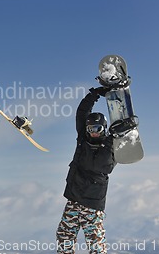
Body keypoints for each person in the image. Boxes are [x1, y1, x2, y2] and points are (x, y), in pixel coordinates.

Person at [56, 86, 115, 254]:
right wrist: (93, 95)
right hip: (74, 198)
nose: (93, 133)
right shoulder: (83, 139)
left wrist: (116, 136)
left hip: (92, 204)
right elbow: (81, 113)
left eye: (97, 129)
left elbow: (99, 166)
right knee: (64, 235)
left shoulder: (109, 146)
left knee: (95, 243)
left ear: (103, 128)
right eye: (90, 129)